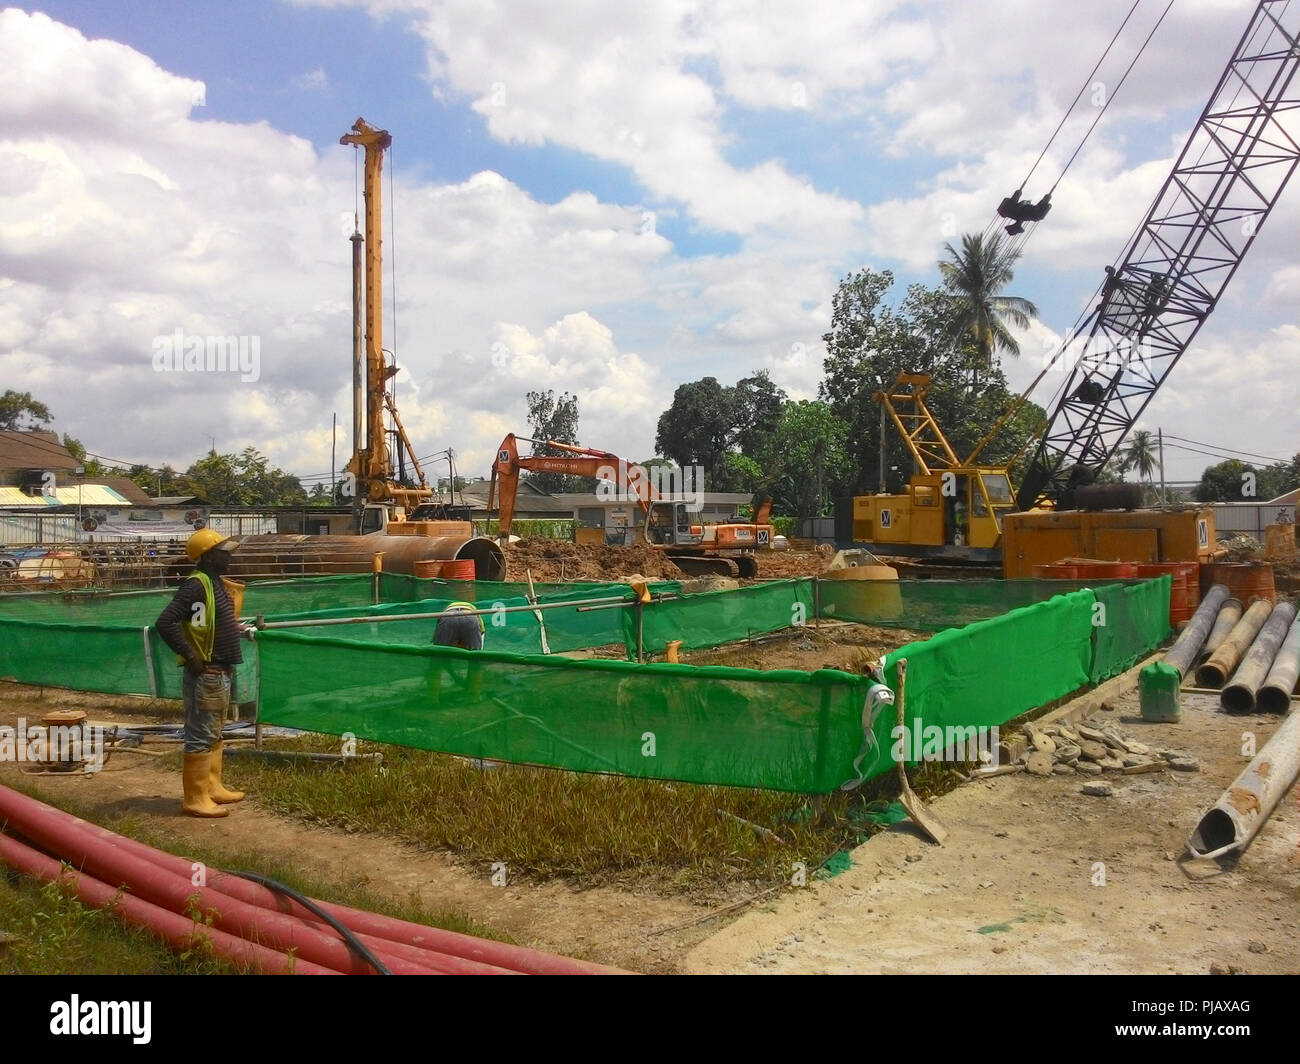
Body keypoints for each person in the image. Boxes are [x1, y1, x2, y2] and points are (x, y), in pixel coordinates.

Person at [154, 529, 247, 818]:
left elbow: (206, 622)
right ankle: (195, 798)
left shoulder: (214, 583)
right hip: (207, 671)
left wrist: (233, 629)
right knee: (200, 733)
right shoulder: (196, 585)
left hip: (220, 671)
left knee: (214, 731)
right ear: (207, 557)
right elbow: (165, 622)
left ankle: (212, 787)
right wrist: (192, 656)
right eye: (222, 551)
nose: (228, 554)